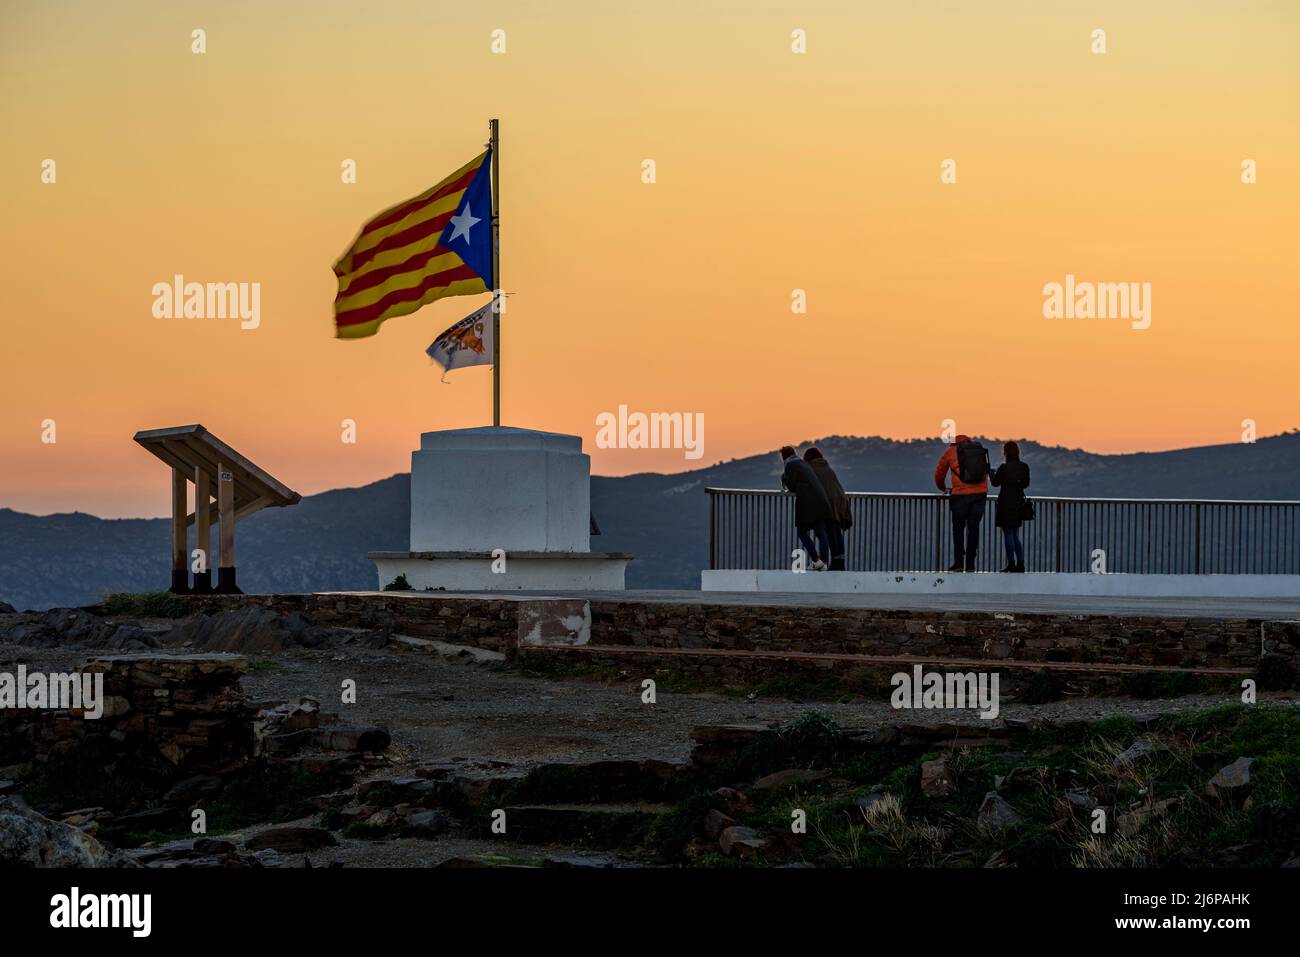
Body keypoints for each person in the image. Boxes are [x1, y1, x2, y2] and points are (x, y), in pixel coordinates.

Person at [933, 433, 990, 571]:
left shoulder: (950, 451)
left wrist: (944, 488)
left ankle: (959, 563)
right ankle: (970, 564)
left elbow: (939, 474)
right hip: (979, 494)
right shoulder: (977, 449)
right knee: (973, 528)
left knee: (958, 529)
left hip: (960, 496)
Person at [780, 445, 833, 570]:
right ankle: (824, 563)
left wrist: (783, 478)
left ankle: (816, 560)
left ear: (783, 457)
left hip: (807, 503)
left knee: (802, 532)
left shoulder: (790, 465)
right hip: (821, 501)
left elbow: (791, 486)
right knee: (821, 533)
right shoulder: (803, 463)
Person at [803, 447, 852, 570]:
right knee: (836, 531)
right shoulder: (827, 467)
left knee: (830, 531)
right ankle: (840, 561)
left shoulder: (811, 469)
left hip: (828, 503)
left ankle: (833, 563)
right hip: (840, 501)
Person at [990, 440, 1030, 572]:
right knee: (1015, 535)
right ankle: (1021, 563)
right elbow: (1025, 484)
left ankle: (1011, 563)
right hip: (1018, 503)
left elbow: (995, 483)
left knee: (1008, 534)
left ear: (1005, 452)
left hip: (1005, 504)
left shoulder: (1004, 468)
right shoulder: (1024, 467)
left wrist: (991, 474)